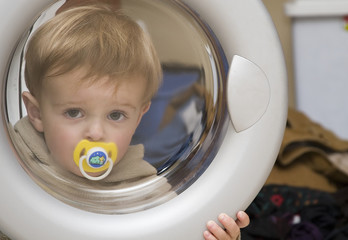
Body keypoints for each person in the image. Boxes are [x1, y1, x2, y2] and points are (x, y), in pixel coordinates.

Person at [9, 3, 249, 239]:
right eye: (74, 112)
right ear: (37, 114)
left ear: (138, 119)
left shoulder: (148, 193)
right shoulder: (12, 169)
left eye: (115, 115)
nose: (95, 132)